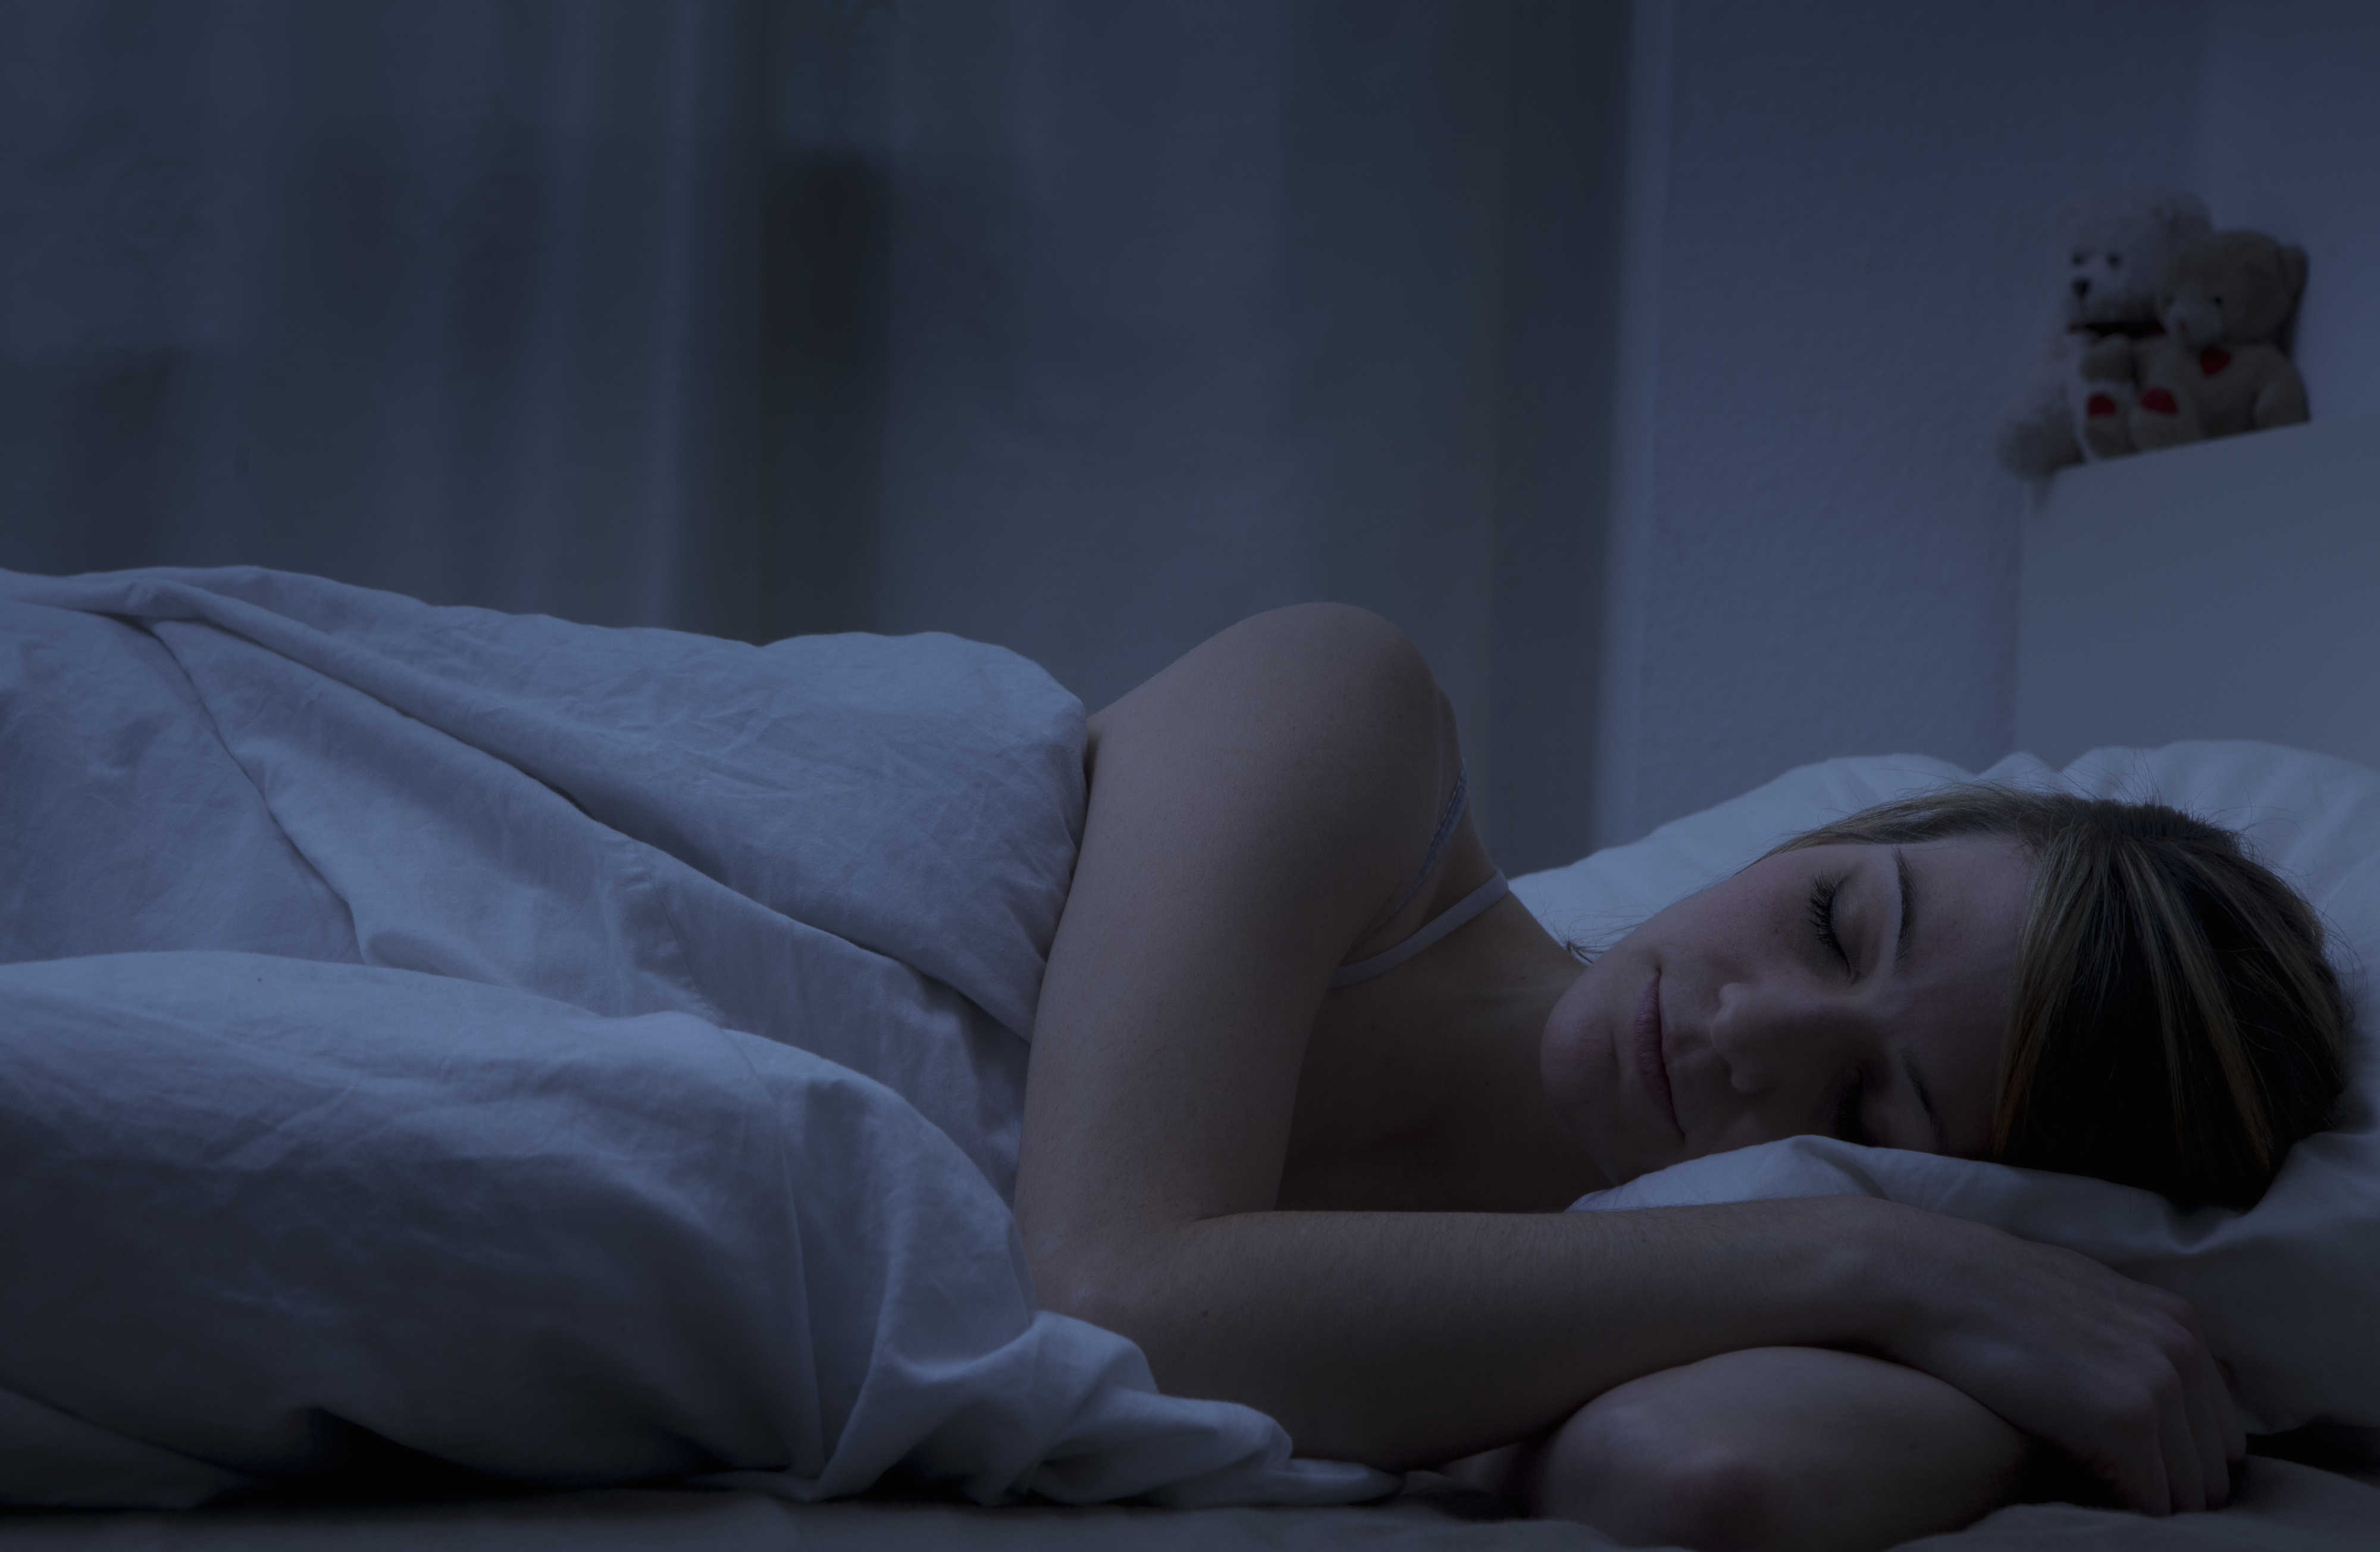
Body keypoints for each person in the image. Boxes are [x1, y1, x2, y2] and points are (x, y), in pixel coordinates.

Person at [1012, 604, 2351, 1551]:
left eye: (1859, 1110)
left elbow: (1694, 1476)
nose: (1748, 1026)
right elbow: (1113, 1301)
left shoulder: (1657, 1299)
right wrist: (1876, 1258)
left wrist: (2004, 1342)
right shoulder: (1341, 712)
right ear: (1830, 837)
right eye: (1833, 918)